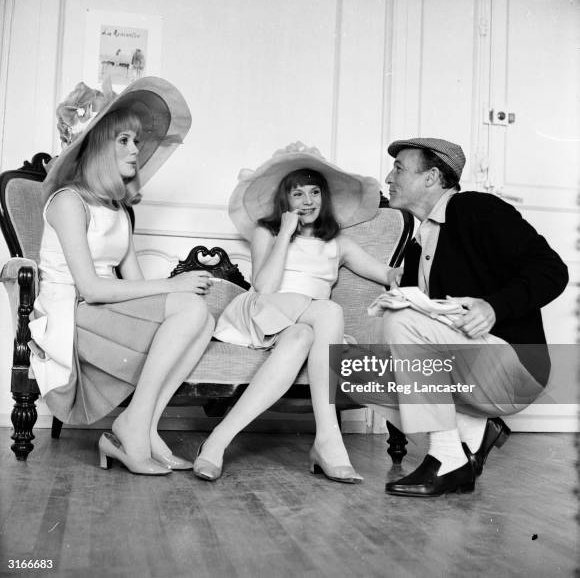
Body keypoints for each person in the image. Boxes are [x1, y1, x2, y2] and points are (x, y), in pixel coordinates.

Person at [347, 137, 568, 497]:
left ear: (432, 177)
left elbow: (552, 270)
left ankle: (448, 458)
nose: (389, 177)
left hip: (515, 371)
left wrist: (494, 306)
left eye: (399, 168)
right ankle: (471, 432)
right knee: (354, 369)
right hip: (471, 374)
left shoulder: (478, 210)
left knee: (400, 320)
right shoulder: (419, 245)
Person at [29, 77, 215, 476]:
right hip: (72, 314)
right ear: (97, 146)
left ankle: (142, 426)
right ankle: (133, 428)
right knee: (187, 307)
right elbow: (91, 287)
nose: (136, 150)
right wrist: (173, 285)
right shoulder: (67, 202)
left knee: (202, 315)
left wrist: (176, 294)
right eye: (125, 141)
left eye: (135, 140)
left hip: (100, 308)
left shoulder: (117, 210)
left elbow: (132, 281)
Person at [192, 142, 402, 483]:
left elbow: (386, 274)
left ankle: (216, 443)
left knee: (304, 336)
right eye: (298, 194)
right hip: (265, 311)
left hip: (302, 324)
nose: (308, 201)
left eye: (315, 192)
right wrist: (285, 234)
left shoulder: (339, 245)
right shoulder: (268, 233)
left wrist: (419, 267)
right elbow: (265, 286)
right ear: (284, 202)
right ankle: (329, 439)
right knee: (329, 311)